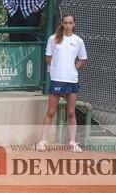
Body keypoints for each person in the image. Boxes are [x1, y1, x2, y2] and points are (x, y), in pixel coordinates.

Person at [37, 15, 87, 153]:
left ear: (74, 24)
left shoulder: (78, 41)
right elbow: (48, 57)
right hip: (57, 79)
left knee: (71, 112)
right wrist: (56, 68)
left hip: (72, 80)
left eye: (70, 23)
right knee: (51, 111)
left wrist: (72, 69)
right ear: (62, 23)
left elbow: (83, 59)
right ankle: (43, 141)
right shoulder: (53, 39)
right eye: (65, 23)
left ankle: (72, 142)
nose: (68, 25)